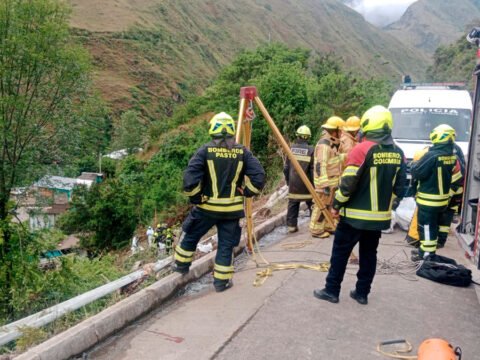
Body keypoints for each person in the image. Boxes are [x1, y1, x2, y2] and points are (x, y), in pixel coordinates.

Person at [313, 105, 406, 305]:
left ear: (368, 125)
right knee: (369, 255)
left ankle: (332, 290)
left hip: (353, 217)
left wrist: (336, 205)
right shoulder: (399, 153)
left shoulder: (362, 149)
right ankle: (362, 293)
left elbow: (347, 183)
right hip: (378, 220)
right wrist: (387, 208)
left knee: (340, 253)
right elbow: (401, 187)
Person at [172, 112, 265, 292]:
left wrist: (196, 197)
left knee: (191, 235)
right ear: (231, 130)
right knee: (226, 244)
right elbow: (259, 176)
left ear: (212, 130)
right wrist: (247, 192)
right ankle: (221, 283)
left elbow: (189, 180)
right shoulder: (242, 152)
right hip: (232, 210)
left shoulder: (205, 151)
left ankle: (181, 266)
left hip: (207, 208)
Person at [410, 124, 462, 261]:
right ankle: (425, 252)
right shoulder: (453, 157)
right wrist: (448, 194)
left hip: (427, 202)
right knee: (433, 227)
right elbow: (457, 179)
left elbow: (417, 172)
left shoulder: (431, 156)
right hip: (442, 202)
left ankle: (426, 256)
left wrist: (413, 165)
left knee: (426, 228)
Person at [309, 116, 343, 238]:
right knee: (321, 206)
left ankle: (328, 225)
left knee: (329, 206)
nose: (342, 133)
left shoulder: (331, 144)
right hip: (325, 184)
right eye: (341, 131)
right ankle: (315, 229)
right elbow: (320, 166)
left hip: (332, 182)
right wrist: (324, 185)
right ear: (335, 131)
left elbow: (334, 161)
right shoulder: (324, 145)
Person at [284, 125, 314, 233]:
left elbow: (286, 168)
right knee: (312, 204)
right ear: (308, 137)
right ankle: (314, 225)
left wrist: (288, 181)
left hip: (294, 184)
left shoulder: (290, 149)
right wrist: (314, 185)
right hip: (307, 185)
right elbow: (312, 169)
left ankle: (291, 226)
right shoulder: (311, 150)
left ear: (298, 136)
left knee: (293, 204)